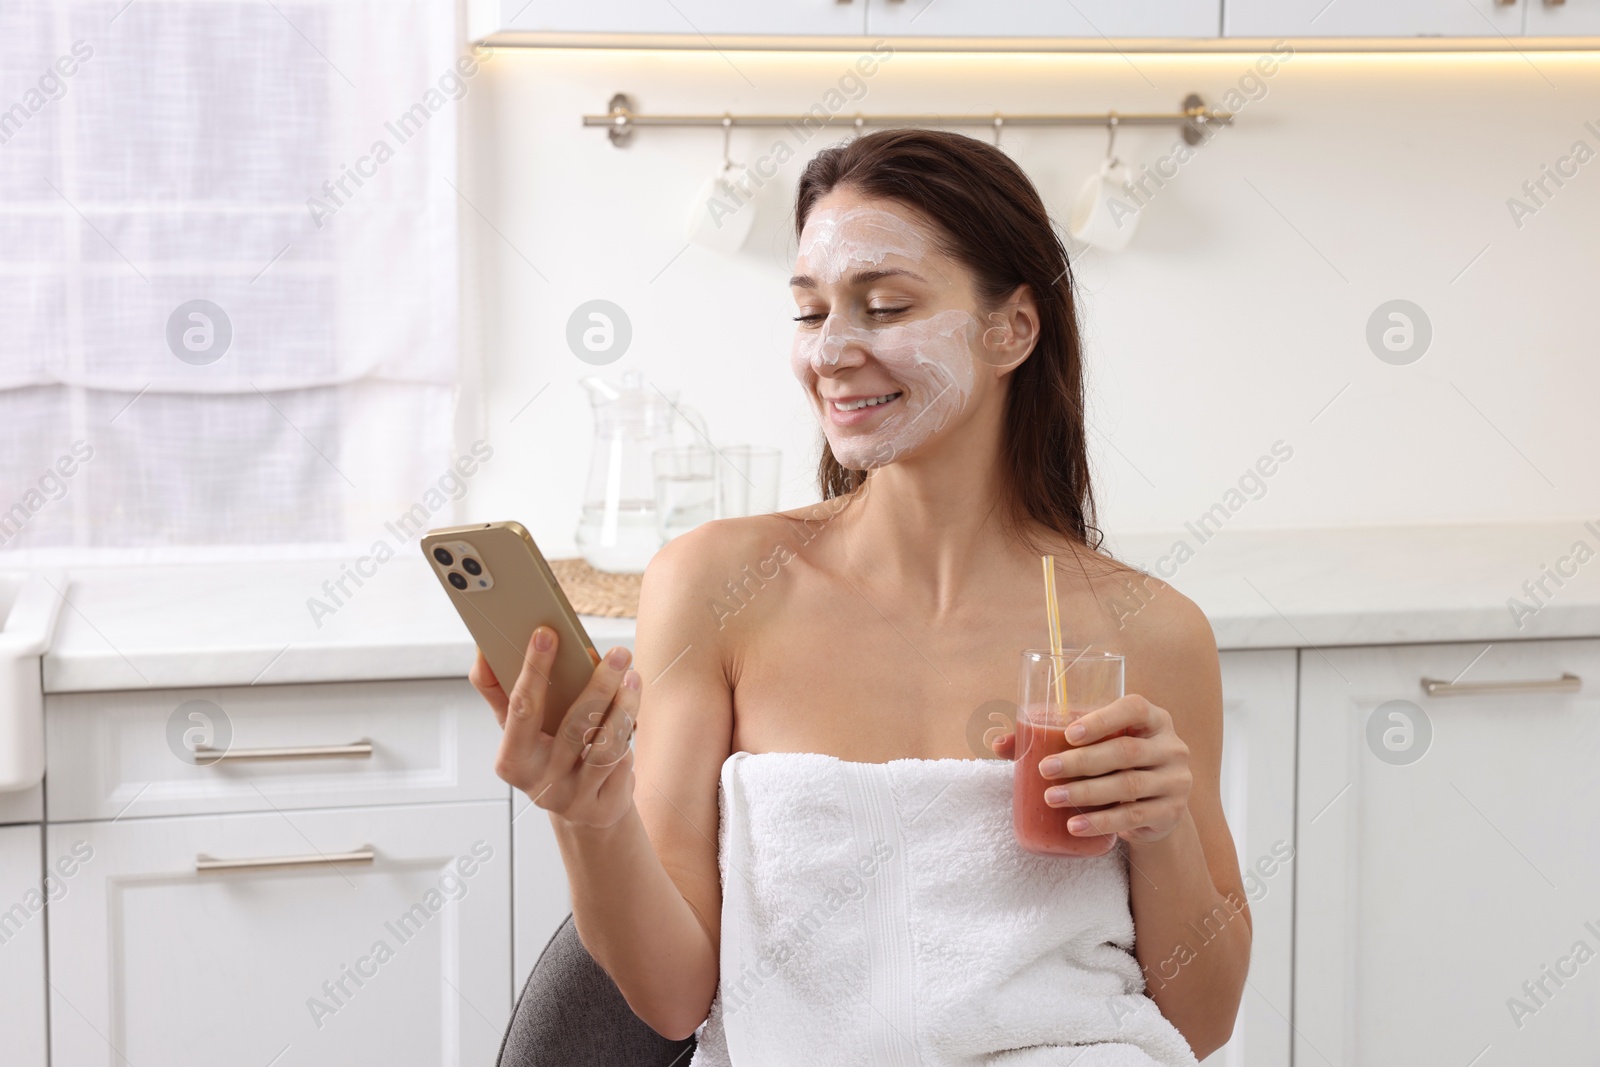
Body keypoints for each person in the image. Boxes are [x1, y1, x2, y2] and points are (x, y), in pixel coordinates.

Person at [471, 128, 1250, 1063]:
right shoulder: (720, 588)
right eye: (809, 314)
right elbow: (676, 1001)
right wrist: (588, 815)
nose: (832, 351)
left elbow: (1199, 1026)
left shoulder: (1150, 630)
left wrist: (1161, 834)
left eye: (882, 306)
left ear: (1012, 329)